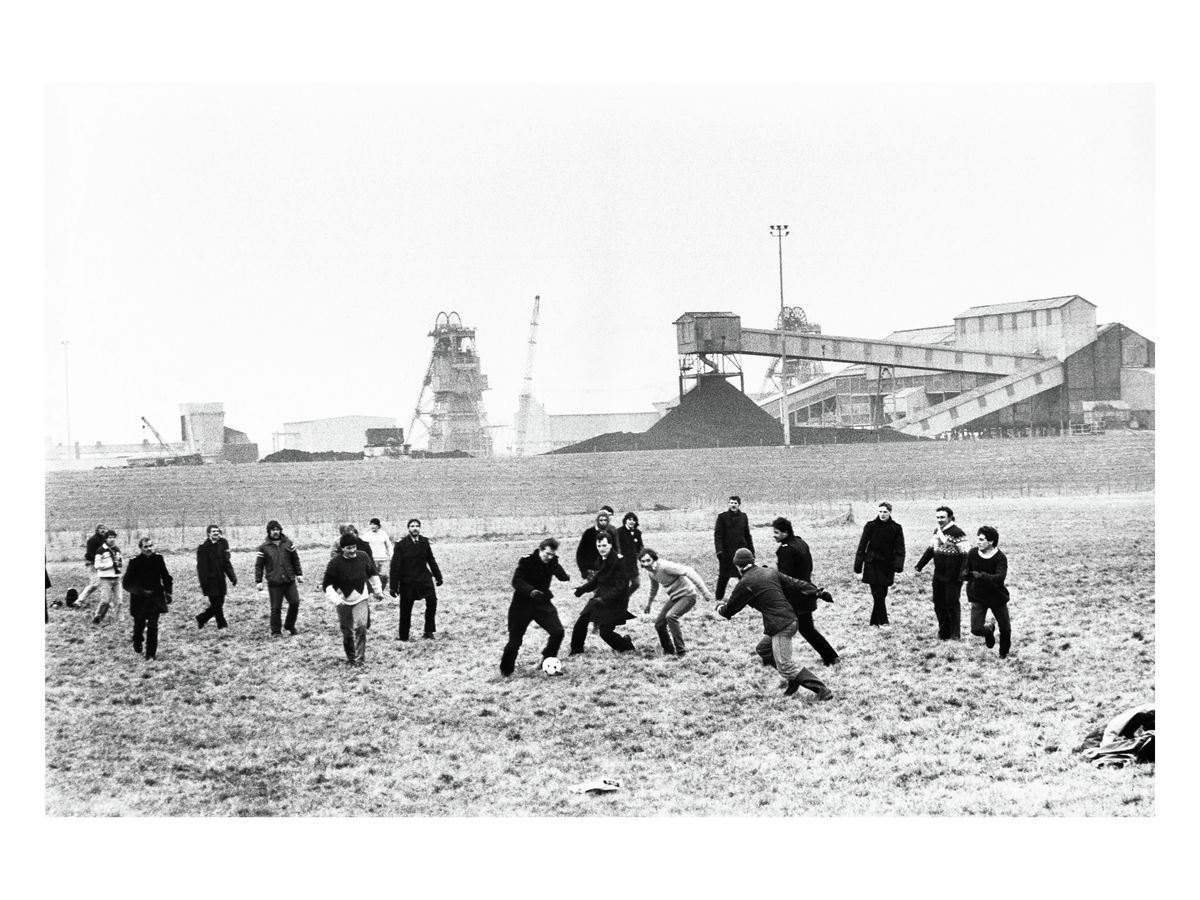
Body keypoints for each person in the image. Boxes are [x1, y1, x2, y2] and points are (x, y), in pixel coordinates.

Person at [716, 548, 833, 700]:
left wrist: (719, 607)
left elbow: (728, 610)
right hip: (790, 619)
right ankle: (794, 680)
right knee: (763, 649)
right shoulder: (769, 572)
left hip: (781, 626)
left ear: (738, 566)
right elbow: (794, 583)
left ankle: (822, 689)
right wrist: (818, 592)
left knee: (785, 666)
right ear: (753, 560)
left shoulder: (745, 583)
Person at [773, 516, 839, 666]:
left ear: (785, 532)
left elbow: (786, 578)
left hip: (795, 597)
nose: (774, 535)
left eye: (776, 532)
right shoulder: (800, 542)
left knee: (804, 629)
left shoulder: (786, 550)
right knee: (804, 628)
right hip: (806, 590)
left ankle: (831, 657)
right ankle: (830, 656)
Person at [500, 537, 570, 675]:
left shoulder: (553, 561)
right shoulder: (527, 561)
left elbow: (560, 575)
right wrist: (531, 591)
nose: (549, 557)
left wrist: (565, 576)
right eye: (547, 554)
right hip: (521, 605)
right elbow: (516, 581)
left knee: (558, 632)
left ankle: (548, 661)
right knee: (515, 640)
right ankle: (506, 670)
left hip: (542, 604)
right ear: (540, 550)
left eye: (552, 555)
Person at [639, 547, 714, 657]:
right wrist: (649, 604)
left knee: (671, 616)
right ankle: (669, 651)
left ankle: (681, 652)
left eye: (648, 560)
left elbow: (689, 570)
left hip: (688, 595)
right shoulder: (650, 572)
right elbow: (654, 588)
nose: (646, 564)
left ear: (654, 559)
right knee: (659, 624)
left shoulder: (664, 566)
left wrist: (705, 592)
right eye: (643, 561)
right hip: (675, 598)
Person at [322, 532, 383, 666]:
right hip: (342, 600)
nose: (352, 550)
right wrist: (337, 600)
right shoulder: (335, 563)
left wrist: (378, 591)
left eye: (354, 546)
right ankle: (351, 657)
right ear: (342, 549)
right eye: (348, 548)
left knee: (361, 626)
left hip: (361, 597)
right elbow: (327, 586)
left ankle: (359, 659)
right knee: (347, 630)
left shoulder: (363, 556)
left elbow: (373, 574)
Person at [569, 533, 635, 655]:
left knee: (605, 633)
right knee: (581, 623)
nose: (601, 548)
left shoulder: (619, 561)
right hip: (599, 599)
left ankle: (626, 646)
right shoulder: (601, 560)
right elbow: (597, 580)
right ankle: (576, 651)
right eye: (598, 545)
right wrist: (581, 590)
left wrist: (603, 599)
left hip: (615, 603)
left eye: (604, 545)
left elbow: (621, 587)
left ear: (610, 545)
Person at [914, 505, 969, 640]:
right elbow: (931, 549)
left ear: (950, 518)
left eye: (942, 517)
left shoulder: (958, 533)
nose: (939, 520)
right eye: (938, 517)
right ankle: (944, 631)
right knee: (939, 604)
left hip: (953, 577)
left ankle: (955, 633)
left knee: (952, 604)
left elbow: (966, 555)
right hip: (938, 575)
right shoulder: (937, 531)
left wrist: (963, 573)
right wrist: (919, 565)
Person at [389, 518, 443, 640]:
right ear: (408, 529)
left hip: (424, 579)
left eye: (417, 526)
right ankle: (404, 636)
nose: (415, 528)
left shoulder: (424, 542)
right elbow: (395, 566)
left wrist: (438, 576)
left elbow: (431, 560)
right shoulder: (401, 544)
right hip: (408, 582)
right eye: (412, 526)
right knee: (406, 609)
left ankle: (428, 631)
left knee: (432, 602)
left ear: (419, 528)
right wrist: (393, 586)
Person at [854, 501, 906, 627]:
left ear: (890, 512)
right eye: (880, 511)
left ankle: (874, 622)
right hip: (872, 564)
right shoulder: (870, 526)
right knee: (877, 593)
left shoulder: (896, 528)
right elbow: (862, 546)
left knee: (882, 594)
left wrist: (898, 566)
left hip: (887, 565)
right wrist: (858, 567)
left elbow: (900, 548)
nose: (882, 514)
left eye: (885, 512)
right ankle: (883, 622)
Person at [963, 525, 1011, 658]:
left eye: (982, 539)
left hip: (996, 597)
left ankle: (1004, 653)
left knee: (1005, 628)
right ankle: (989, 630)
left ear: (991, 542)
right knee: (976, 629)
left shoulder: (1000, 557)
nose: (978, 542)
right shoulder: (972, 553)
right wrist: (964, 574)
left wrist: (982, 576)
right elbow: (966, 570)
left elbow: (1000, 578)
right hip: (978, 596)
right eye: (977, 539)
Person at [121, 537, 173, 660]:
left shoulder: (158, 559)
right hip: (139, 601)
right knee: (139, 625)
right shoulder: (135, 562)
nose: (149, 549)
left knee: (153, 626)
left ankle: (150, 654)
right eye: (146, 547)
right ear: (141, 548)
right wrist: (141, 591)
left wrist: (168, 592)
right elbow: (127, 583)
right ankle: (137, 640)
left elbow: (166, 577)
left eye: (150, 546)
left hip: (155, 599)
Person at [254, 520, 305, 636]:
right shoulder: (263, 547)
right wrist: (258, 581)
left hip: (289, 580)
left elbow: (295, 559)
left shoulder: (288, 543)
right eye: (273, 530)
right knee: (276, 608)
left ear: (280, 530)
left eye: (277, 529)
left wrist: (299, 574)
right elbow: (259, 565)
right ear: (269, 532)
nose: (275, 532)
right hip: (274, 582)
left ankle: (289, 625)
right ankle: (276, 631)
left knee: (295, 602)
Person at [195, 524, 237, 629]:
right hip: (210, 581)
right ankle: (222, 625)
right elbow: (201, 568)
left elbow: (226, 563)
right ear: (209, 533)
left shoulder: (220, 545)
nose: (216, 533)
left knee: (220, 602)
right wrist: (204, 584)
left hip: (220, 579)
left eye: (217, 531)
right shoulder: (203, 548)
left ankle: (202, 618)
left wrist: (232, 577)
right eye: (213, 531)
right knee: (216, 603)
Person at [714, 496, 754, 600]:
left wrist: (751, 551)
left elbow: (747, 534)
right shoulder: (722, 517)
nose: (733, 505)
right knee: (723, 576)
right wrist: (719, 551)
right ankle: (718, 598)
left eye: (735, 503)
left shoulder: (743, 517)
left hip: (741, 551)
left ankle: (747, 597)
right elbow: (718, 535)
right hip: (726, 552)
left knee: (744, 576)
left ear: (739, 504)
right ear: (728, 504)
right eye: (731, 502)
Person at [575, 507, 620, 579]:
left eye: (605, 520)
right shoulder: (589, 533)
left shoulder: (611, 532)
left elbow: (616, 550)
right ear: (597, 520)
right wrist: (583, 570)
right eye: (601, 520)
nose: (603, 522)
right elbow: (580, 553)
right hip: (592, 571)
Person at [91, 530, 123, 624]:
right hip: (105, 579)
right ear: (106, 539)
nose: (112, 539)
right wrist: (110, 564)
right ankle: (98, 616)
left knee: (119, 601)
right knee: (105, 601)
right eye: (110, 537)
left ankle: (119, 620)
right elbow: (97, 565)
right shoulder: (100, 550)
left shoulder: (117, 550)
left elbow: (120, 562)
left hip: (116, 578)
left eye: (113, 537)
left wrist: (119, 564)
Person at [76, 522, 109, 608]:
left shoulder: (104, 540)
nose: (103, 530)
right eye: (101, 528)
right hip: (92, 564)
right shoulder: (92, 540)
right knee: (95, 584)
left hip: (100, 564)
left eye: (104, 528)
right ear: (97, 530)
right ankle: (79, 601)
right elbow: (89, 554)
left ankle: (107, 602)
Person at [617, 512, 645, 602]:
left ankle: (625, 597)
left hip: (633, 563)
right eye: (629, 519)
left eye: (634, 520)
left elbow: (640, 547)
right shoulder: (619, 532)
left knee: (636, 583)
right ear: (625, 521)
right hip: (622, 564)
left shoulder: (637, 532)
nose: (631, 521)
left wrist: (642, 558)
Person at [364, 518, 393, 593]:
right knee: (372, 577)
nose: (372, 526)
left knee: (384, 576)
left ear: (378, 526)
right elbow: (363, 548)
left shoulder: (383, 534)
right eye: (371, 524)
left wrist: (391, 555)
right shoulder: (367, 535)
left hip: (383, 559)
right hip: (372, 560)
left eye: (374, 524)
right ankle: (372, 592)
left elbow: (389, 545)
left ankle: (381, 592)